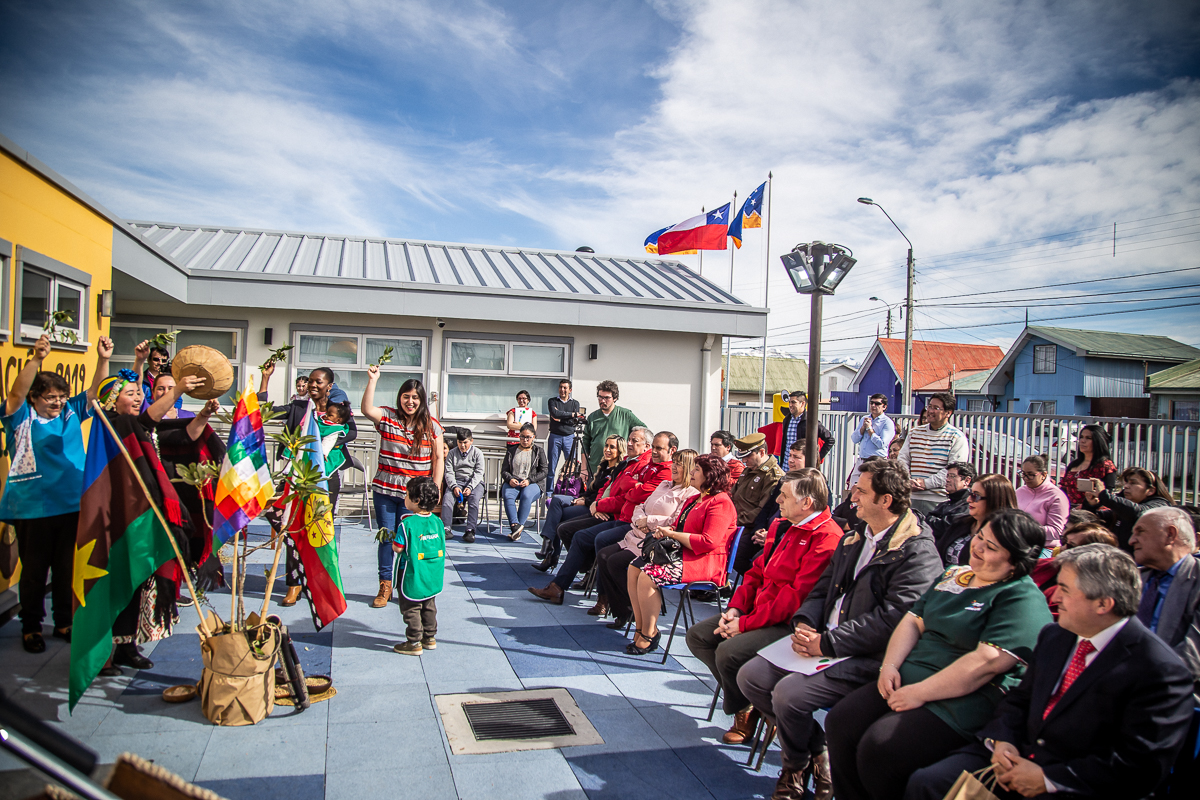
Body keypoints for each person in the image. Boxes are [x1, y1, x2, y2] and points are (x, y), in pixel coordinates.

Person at [905, 544, 1195, 800]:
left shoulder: (1159, 670)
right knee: (928, 783)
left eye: (1066, 590)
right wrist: (1002, 740)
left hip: (1075, 781)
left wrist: (1048, 779)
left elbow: (1138, 767)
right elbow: (1020, 699)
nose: (1054, 598)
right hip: (1015, 755)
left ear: (1103, 604)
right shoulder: (1056, 637)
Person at [737, 457, 943, 800]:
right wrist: (804, 623)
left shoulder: (916, 552)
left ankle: (793, 767)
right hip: (824, 641)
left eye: (860, 491)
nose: (852, 496)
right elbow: (823, 589)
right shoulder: (857, 537)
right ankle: (816, 753)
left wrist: (827, 643)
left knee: (790, 694)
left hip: (866, 654)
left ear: (885, 500)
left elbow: (893, 620)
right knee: (751, 676)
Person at [826, 509, 1053, 800]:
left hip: (956, 702)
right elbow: (911, 620)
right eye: (980, 537)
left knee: (881, 748)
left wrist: (920, 692)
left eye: (991, 547)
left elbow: (985, 662)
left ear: (1015, 562)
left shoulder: (1020, 597)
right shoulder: (955, 576)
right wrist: (890, 666)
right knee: (842, 722)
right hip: (906, 681)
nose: (978, 547)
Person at [687, 469, 842, 746]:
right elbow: (756, 572)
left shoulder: (826, 538)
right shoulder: (782, 525)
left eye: (784, 495)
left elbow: (796, 598)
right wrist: (735, 609)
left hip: (788, 623)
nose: (778, 500)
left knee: (728, 652)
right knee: (698, 637)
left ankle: (750, 709)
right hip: (758, 612)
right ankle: (749, 704)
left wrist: (744, 625)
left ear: (806, 503)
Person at [2, 334, 112, 653]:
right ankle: (32, 626)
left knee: (66, 570)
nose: (58, 402)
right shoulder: (21, 417)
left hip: (71, 506)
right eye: (51, 396)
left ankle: (64, 621)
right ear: (36, 397)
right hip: (32, 508)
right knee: (35, 571)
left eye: (61, 396)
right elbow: (14, 394)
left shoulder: (70, 413)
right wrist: (36, 359)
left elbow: (94, 393)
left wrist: (103, 358)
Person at [97, 366, 206, 670]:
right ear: (111, 401)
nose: (137, 398)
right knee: (117, 582)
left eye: (138, 393)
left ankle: (127, 645)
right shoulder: (110, 425)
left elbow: (178, 432)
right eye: (130, 394)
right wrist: (180, 389)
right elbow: (148, 417)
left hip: (143, 515)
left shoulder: (136, 427)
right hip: (117, 518)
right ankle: (103, 652)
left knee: (140, 580)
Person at [528, 431, 674, 605]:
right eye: (629, 440)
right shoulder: (631, 463)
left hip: (625, 520)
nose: (629, 444)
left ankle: (591, 589)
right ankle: (566, 570)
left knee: (582, 535)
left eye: (634, 441)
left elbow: (632, 495)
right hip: (611, 511)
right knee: (563, 520)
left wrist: (599, 504)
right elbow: (611, 486)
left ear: (646, 446)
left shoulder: (650, 467)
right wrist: (596, 503)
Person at [625, 454, 736, 655]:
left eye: (696, 471)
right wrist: (666, 531)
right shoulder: (695, 498)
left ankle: (649, 634)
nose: (691, 473)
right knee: (634, 567)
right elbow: (680, 526)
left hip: (705, 562)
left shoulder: (721, 503)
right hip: (684, 555)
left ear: (710, 475)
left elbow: (708, 542)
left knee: (648, 575)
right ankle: (641, 629)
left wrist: (672, 533)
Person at [272, 366, 359, 607]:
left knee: (321, 529)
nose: (312, 385)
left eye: (317, 381)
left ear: (329, 385)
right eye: (310, 381)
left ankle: (317, 580)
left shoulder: (338, 410)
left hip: (326, 477)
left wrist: (328, 441)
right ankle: (294, 584)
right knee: (293, 527)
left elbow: (351, 431)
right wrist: (265, 379)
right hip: (299, 477)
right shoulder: (299, 408)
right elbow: (265, 412)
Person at [361, 367, 443, 609]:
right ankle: (385, 584)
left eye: (415, 397)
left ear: (422, 400)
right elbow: (366, 409)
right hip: (386, 490)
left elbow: (438, 458)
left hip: (415, 497)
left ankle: (407, 584)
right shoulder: (388, 417)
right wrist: (372, 380)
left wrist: (435, 490)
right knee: (387, 539)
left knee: (411, 541)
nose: (410, 401)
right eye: (406, 396)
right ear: (400, 397)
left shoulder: (432, 425)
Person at [594, 448, 699, 627]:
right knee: (603, 555)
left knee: (615, 562)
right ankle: (624, 610)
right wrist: (639, 519)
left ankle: (632, 610)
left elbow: (677, 520)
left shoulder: (690, 493)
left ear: (689, 468)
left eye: (680, 465)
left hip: (654, 543)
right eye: (674, 463)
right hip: (635, 534)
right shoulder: (664, 485)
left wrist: (649, 521)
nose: (674, 467)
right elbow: (642, 505)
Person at [1130, 507, 1200, 698]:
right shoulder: (1132, 578)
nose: (1131, 540)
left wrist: (1134, 681)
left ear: (1170, 534)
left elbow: (1193, 654)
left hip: (1177, 696)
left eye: (1140, 532)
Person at [535, 434, 625, 571]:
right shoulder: (603, 466)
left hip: (593, 506)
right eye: (606, 446)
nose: (607, 449)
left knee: (558, 517)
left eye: (612, 447)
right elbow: (592, 489)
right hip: (586, 500)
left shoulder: (617, 471)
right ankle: (549, 548)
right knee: (556, 500)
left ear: (620, 451)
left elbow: (603, 495)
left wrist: (586, 501)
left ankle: (551, 552)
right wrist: (582, 498)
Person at [390, 476, 445, 655]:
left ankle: (414, 641)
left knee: (411, 606)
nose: (404, 498)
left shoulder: (407, 524)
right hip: (432, 572)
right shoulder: (438, 522)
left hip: (411, 572)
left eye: (406, 494)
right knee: (429, 604)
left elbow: (397, 548)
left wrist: (392, 540)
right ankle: (430, 637)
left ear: (416, 500)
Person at [898, 393, 970, 516]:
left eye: (936, 408)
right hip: (910, 496)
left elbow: (952, 470)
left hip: (937, 499)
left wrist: (925, 484)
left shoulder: (956, 437)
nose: (930, 411)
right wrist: (907, 481)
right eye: (929, 407)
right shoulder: (915, 432)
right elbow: (902, 459)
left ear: (948, 413)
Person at [730, 432, 786, 575]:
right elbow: (734, 495)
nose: (744, 461)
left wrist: (733, 521)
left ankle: (754, 585)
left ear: (761, 452)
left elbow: (761, 510)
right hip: (736, 523)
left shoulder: (772, 475)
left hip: (748, 526)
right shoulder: (749, 470)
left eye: (748, 456)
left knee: (734, 553)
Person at [935, 473, 1018, 567]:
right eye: (970, 494)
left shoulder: (1002, 535)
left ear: (994, 500)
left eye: (976, 496)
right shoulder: (961, 523)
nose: (968, 500)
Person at [1085, 466, 1172, 551]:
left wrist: (1105, 496)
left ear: (1150, 491)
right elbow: (1096, 521)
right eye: (1126, 483)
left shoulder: (1160, 505)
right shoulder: (1123, 508)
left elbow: (1139, 513)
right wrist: (1092, 505)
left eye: (1133, 483)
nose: (1126, 486)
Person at [746, 438, 808, 552]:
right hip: (765, 532)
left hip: (782, 539)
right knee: (741, 549)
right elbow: (767, 508)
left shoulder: (811, 485)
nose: (790, 460)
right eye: (790, 455)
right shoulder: (784, 480)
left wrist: (771, 536)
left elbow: (794, 520)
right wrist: (759, 529)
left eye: (796, 457)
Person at [580, 380, 645, 476]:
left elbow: (643, 431)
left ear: (615, 398)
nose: (602, 401)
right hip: (595, 468)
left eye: (607, 398)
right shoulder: (593, 417)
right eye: (600, 397)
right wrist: (583, 469)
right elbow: (585, 443)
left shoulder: (625, 415)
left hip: (618, 469)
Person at [501, 423, 549, 540]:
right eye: (522, 436)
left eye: (528, 437)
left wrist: (529, 480)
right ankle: (515, 526)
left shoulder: (539, 451)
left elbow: (544, 471)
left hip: (533, 483)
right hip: (514, 481)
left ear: (533, 437)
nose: (525, 440)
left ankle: (518, 527)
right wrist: (510, 479)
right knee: (507, 495)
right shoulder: (511, 450)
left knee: (526, 495)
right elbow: (504, 471)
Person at [1058, 423, 1116, 508]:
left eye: (1088, 438)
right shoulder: (1074, 464)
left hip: (1091, 512)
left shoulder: (1105, 466)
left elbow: (1107, 495)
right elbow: (1063, 489)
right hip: (1067, 509)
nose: (1082, 441)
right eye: (1081, 437)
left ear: (1098, 441)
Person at [1016, 455, 1069, 547]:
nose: (1025, 478)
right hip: (1018, 543)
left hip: (1044, 547)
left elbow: (1057, 531)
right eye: (1023, 474)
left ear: (1043, 474)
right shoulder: (1019, 491)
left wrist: (1026, 529)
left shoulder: (1056, 496)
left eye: (1031, 475)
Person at [442, 427, 484, 543]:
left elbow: (479, 472)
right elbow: (449, 472)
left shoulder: (478, 453)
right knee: (447, 499)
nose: (463, 445)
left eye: (465, 442)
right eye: (460, 442)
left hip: (474, 483)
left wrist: (470, 487)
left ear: (471, 441)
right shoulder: (452, 453)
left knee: (474, 500)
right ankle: (446, 528)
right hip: (457, 481)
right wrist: (454, 486)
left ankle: (470, 530)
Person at [849, 393, 895, 488]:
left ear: (884, 407)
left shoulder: (887, 423)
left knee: (871, 489)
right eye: (871, 403)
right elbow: (854, 439)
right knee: (854, 487)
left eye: (877, 404)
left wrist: (870, 430)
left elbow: (881, 444)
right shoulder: (864, 419)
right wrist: (862, 429)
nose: (873, 406)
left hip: (877, 462)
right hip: (862, 460)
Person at [924, 461, 975, 543]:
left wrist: (933, 521)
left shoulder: (968, 505)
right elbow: (927, 520)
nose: (947, 480)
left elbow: (946, 527)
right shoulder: (945, 504)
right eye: (947, 476)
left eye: (952, 476)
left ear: (967, 480)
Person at [777, 391, 834, 463]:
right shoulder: (787, 419)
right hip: (786, 466)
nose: (790, 405)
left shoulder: (810, 421)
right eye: (789, 402)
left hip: (802, 468)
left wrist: (817, 458)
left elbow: (830, 439)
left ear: (802, 403)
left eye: (793, 402)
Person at [546, 379, 580, 487]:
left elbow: (574, 421)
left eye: (565, 388)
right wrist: (572, 414)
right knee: (551, 467)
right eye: (561, 387)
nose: (562, 390)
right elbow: (555, 413)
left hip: (569, 437)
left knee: (571, 467)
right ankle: (549, 492)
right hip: (554, 437)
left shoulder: (575, 403)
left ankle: (568, 490)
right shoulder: (552, 401)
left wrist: (560, 419)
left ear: (570, 390)